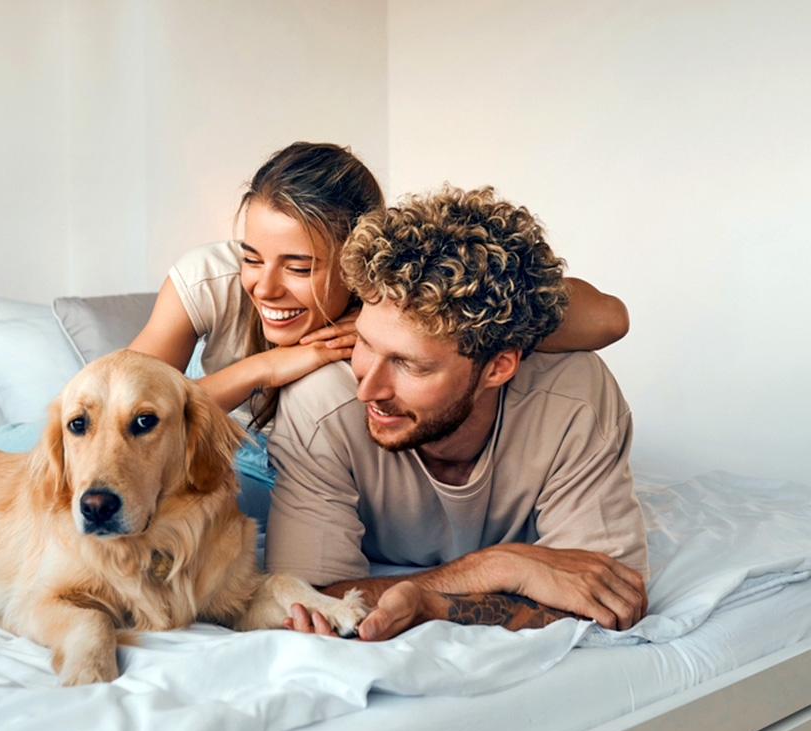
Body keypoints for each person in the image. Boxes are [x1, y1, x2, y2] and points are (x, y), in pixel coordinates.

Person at [264, 185, 649, 640]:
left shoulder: (572, 397)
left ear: (499, 367)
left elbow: (610, 600)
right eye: (363, 342)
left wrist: (432, 602)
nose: (368, 388)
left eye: (411, 365)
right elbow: (312, 602)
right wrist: (501, 567)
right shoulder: (322, 403)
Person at [129, 142, 630, 436]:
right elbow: (117, 411)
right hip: (227, 454)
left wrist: (399, 317)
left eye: (299, 268)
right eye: (252, 258)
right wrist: (266, 367)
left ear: (355, 257)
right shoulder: (209, 279)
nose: (265, 288)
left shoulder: (392, 293)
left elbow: (609, 320)